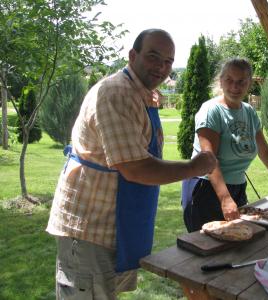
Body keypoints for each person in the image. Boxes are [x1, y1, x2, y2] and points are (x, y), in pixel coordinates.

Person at [46, 29, 216, 299]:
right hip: (89, 225)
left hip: (115, 221)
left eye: (169, 61)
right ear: (133, 55)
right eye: (153, 57)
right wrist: (194, 167)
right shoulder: (117, 94)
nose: (161, 67)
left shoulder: (142, 93)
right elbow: (135, 167)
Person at [181, 58, 268, 233]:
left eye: (241, 81)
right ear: (221, 81)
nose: (235, 87)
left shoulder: (249, 112)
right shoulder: (212, 111)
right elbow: (210, 160)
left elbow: (264, 150)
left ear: (250, 83)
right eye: (229, 80)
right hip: (206, 188)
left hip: (237, 187)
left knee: (237, 243)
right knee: (208, 249)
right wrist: (225, 198)